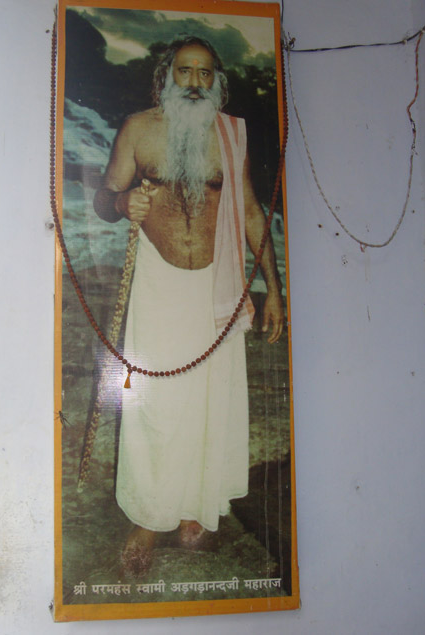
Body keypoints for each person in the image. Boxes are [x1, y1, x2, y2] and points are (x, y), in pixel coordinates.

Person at [94, 36, 284, 577]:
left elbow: (248, 210)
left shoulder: (230, 134)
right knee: (154, 408)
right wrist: (122, 202)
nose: (195, 83)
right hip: (159, 286)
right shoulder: (138, 128)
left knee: (208, 406)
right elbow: (105, 198)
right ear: (166, 76)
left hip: (215, 292)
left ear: (216, 80)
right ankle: (146, 522)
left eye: (205, 73)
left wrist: (275, 288)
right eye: (185, 71)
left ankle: (194, 507)